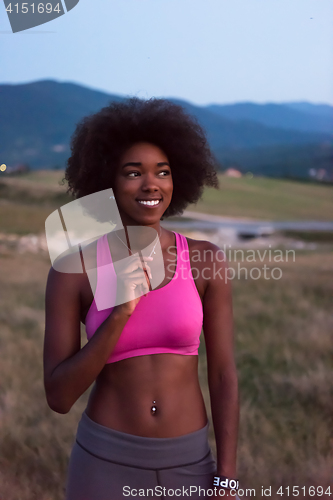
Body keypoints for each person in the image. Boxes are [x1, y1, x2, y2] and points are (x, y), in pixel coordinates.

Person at [43, 97, 239, 500]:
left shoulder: (204, 260)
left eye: (162, 172)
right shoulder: (73, 270)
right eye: (133, 173)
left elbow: (223, 375)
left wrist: (227, 474)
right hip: (104, 463)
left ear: (177, 179)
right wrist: (120, 313)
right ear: (106, 182)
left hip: (191, 463)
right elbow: (59, 397)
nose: (151, 184)